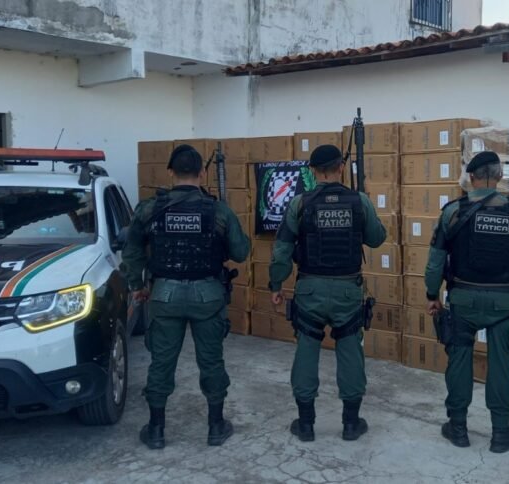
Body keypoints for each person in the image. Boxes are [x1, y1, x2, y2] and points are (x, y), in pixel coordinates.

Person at [123, 144, 251, 450]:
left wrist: (137, 285)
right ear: (203, 172)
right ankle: (216, 427)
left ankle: (156, 430)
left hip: (165, 294)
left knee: (161, 363)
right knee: (211, 361)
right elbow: (241, 253)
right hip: (208, 295)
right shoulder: (218, 210)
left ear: (170, 173)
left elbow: (132, 251)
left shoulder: (150, 208)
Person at [269, 144, 386, 442]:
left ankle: (306, 424)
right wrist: (363, 209)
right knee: (350, 352)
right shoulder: (359, 201)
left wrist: (276, 285)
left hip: (309, 289)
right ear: (341, 167)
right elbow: (377, 239)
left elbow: (282, 250)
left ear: (312, 171)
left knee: (306, 350)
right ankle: (350, 423)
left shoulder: (299, 203)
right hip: (348, 289)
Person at [425, 151, 509, 452]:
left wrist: (432, 295)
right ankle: (501, 433)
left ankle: (458, 427)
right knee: (502, 364)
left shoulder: (453, 211)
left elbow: (435, 262)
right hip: (504, 301)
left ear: (470, 178)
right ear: (499, 177)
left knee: (459, 360)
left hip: (463, 299)